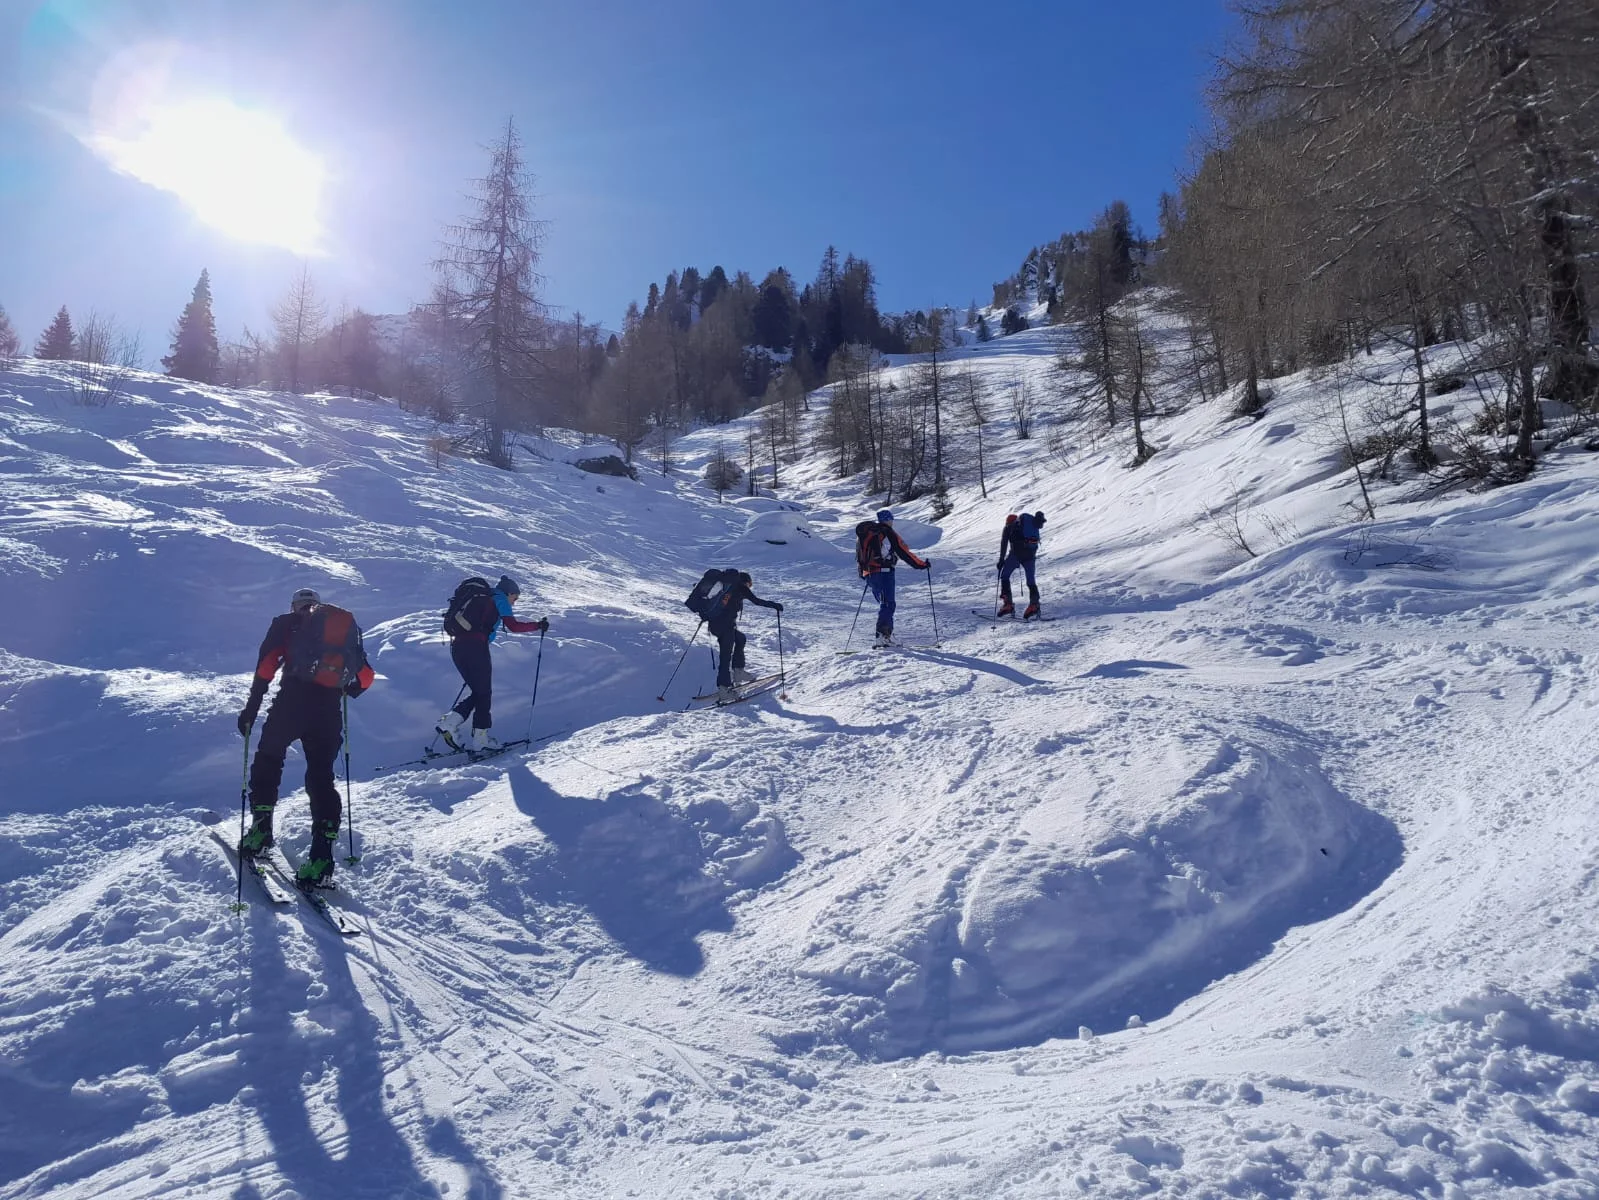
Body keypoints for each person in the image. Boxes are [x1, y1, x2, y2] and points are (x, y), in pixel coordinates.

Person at [237, 587, 375, 888]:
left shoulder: (287, 624)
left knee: (269, 758)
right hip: (327, 712)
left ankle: (261, 831)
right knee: (322, 779)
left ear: (295, 606)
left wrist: (250, 710)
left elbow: (266, 668)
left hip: (292, 703)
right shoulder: (343, 633)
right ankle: (322, 860)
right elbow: (365, 676)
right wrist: (348, 690)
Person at [436, 574, 549, 753]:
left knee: (480, 692)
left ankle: (450, 723)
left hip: (458, 648)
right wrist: (538, 626)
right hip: (475, 648)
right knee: (484, 693)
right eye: (515, 598)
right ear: (509, 593)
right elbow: (513, 626)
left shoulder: (483, 599)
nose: (514, 603)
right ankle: (481, 740)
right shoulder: (499, 598)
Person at [855, 509, 930, 647]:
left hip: (869, 574)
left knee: (885, 604)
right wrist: (921, 565)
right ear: (888, 520)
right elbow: (903, 551)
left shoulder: (865, 534)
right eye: (891, 520)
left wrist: (865, 574)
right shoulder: (886, 532)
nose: (892, 522)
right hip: (884, 572)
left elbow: (860, 557)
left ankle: (887, 635)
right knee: (888, 604)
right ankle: (883, 636)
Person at [704, 571, 783, 701]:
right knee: (725, 656)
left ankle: (738, 672)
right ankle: (724, 690)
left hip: (717, 626)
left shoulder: (725, 588)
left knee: (740, 639)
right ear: (746, 581)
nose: (749, 587)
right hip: (725, 627)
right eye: (749, 585)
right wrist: (774, 605)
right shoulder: (740, 587)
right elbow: (756, 601)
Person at [997, 510, 1047, 618]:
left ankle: (1008, 605)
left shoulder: (1009, 527)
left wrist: (1001, 559)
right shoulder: (1027, 526)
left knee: (1005, 576)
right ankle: (1034, 605)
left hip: (1016, 554)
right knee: (1031, 580)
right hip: (1030, 555)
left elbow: (1004, 543)